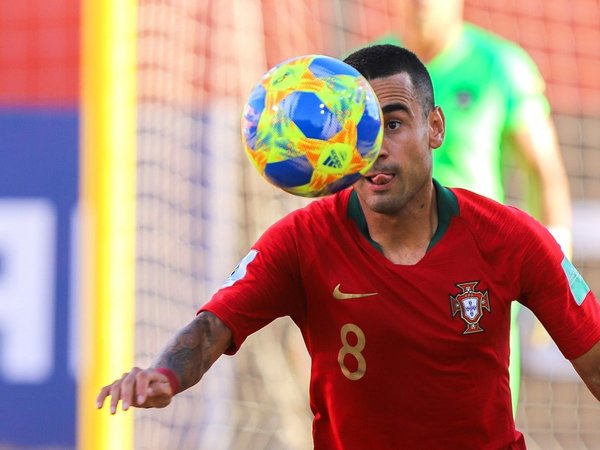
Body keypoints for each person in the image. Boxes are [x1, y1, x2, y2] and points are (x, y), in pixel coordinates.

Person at [97, 45, 600, 449]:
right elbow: (210, 327)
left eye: (394, 123)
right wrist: (164, 374)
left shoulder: (509, 236)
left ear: (436, 128)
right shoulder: (301, 241)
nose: (373, 145)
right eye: (357, 127)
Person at [374, 0, 574, 407]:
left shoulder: (499, 67)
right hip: (385, 274)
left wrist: (559, 271)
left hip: (473, 277)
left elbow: (544, 172)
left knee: (480, 416)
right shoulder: (366, 73)